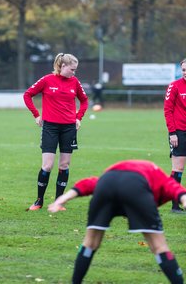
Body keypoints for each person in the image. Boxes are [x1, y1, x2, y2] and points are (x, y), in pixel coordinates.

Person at [48, 159, 186, 284]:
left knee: (90, 243)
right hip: (136, 186)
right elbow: (177, 189)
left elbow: (89, 184)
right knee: (159, 247)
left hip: (107, 183)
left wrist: (63, 198)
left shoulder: (117, 170)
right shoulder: (161, 179)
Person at [23, 53, 88, 211]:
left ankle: (58, 202)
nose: (74, 72)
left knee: (64, 164)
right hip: (50, 127)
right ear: (62, 66)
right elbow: (27, 95)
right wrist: (36, 115)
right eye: (72, 69)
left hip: (69, 128)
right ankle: (39, 201)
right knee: (47, 165)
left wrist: (78, 117)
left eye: (75, 70)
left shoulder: (75, 82)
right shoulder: (47, 80)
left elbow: (84, 100)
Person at [164, 58, 186, 214]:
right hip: (179, 131)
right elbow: (168, 110)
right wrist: (172, 133)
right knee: (178, 168)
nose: (185, 72)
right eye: (184, 70)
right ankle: (175, 205)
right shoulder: (175, 86)